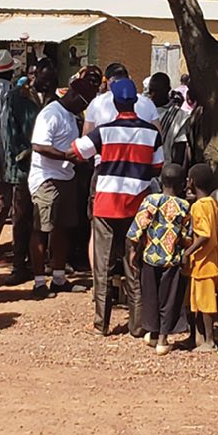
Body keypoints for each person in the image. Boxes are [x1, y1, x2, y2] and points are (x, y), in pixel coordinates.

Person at [73, 76, 162, 336]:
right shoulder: (151, 132)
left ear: (114, 101)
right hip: (137, 206)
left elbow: (80, 151)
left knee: (103, 265)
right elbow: (157, 166)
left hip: (106, 204)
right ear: (135, 101)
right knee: (133, 264)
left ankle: (102, 323)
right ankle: (137, 324)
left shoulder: (104, 131)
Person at [29, 70, 88, 297]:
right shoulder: (51, 113)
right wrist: (66, 156)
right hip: (47, 178)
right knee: (42, 228)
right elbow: (39, 146)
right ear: (72, 95)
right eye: (82, 102)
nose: (82, 108)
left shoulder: (71, 116)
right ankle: (38, 282)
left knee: (63, 228)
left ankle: (59, 277)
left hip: (67, 177)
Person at [126, 163, 191, 355]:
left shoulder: (150, 201)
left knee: (150, 296)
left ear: (161, 181)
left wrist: (132, 252)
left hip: (150, 258)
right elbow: (187, 237)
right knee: (169, 299)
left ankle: (152, 334)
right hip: (172, 261)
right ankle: (163, 339)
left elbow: (136, 229)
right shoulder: (184, 206)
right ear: (181, 185)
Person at [0, 49, 39, 283]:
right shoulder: (14, 94)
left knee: (0, 204)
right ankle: (18, 259)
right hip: (14, 158)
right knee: (14, 208)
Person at [186, 163, 218, 351]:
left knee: (206, 303)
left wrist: (188, 251)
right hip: (215, 259)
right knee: (206, 300)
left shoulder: (198, 206)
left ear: (191, 182)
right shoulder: (212, 202)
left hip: (203, 262)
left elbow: (204, 234)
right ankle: (204, 337)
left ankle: (209, 341)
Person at [82, 63, 158, 132]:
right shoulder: (147, 103)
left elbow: (87, 135)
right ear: (128, 78)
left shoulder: (96, 103)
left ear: (108, 81)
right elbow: (158, 135)